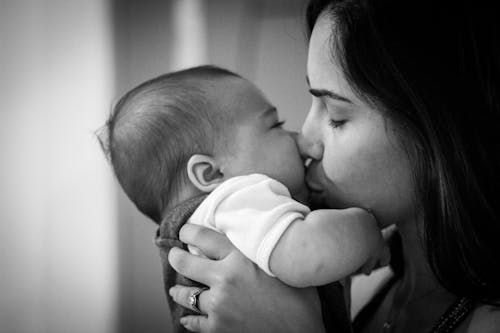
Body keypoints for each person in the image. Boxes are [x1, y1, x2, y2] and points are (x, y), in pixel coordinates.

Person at [167, 0, 500, 332]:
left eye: (337, 116)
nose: (307, 139)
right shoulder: (358, 282)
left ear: (438, 128)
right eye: (313, 101)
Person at [98, 65, 388, 332]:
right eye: (276, 125)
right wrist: (365, 228)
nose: (299, 138)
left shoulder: (220, 218)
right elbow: (308, 253)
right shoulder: (233, 199)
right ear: (211, 174)